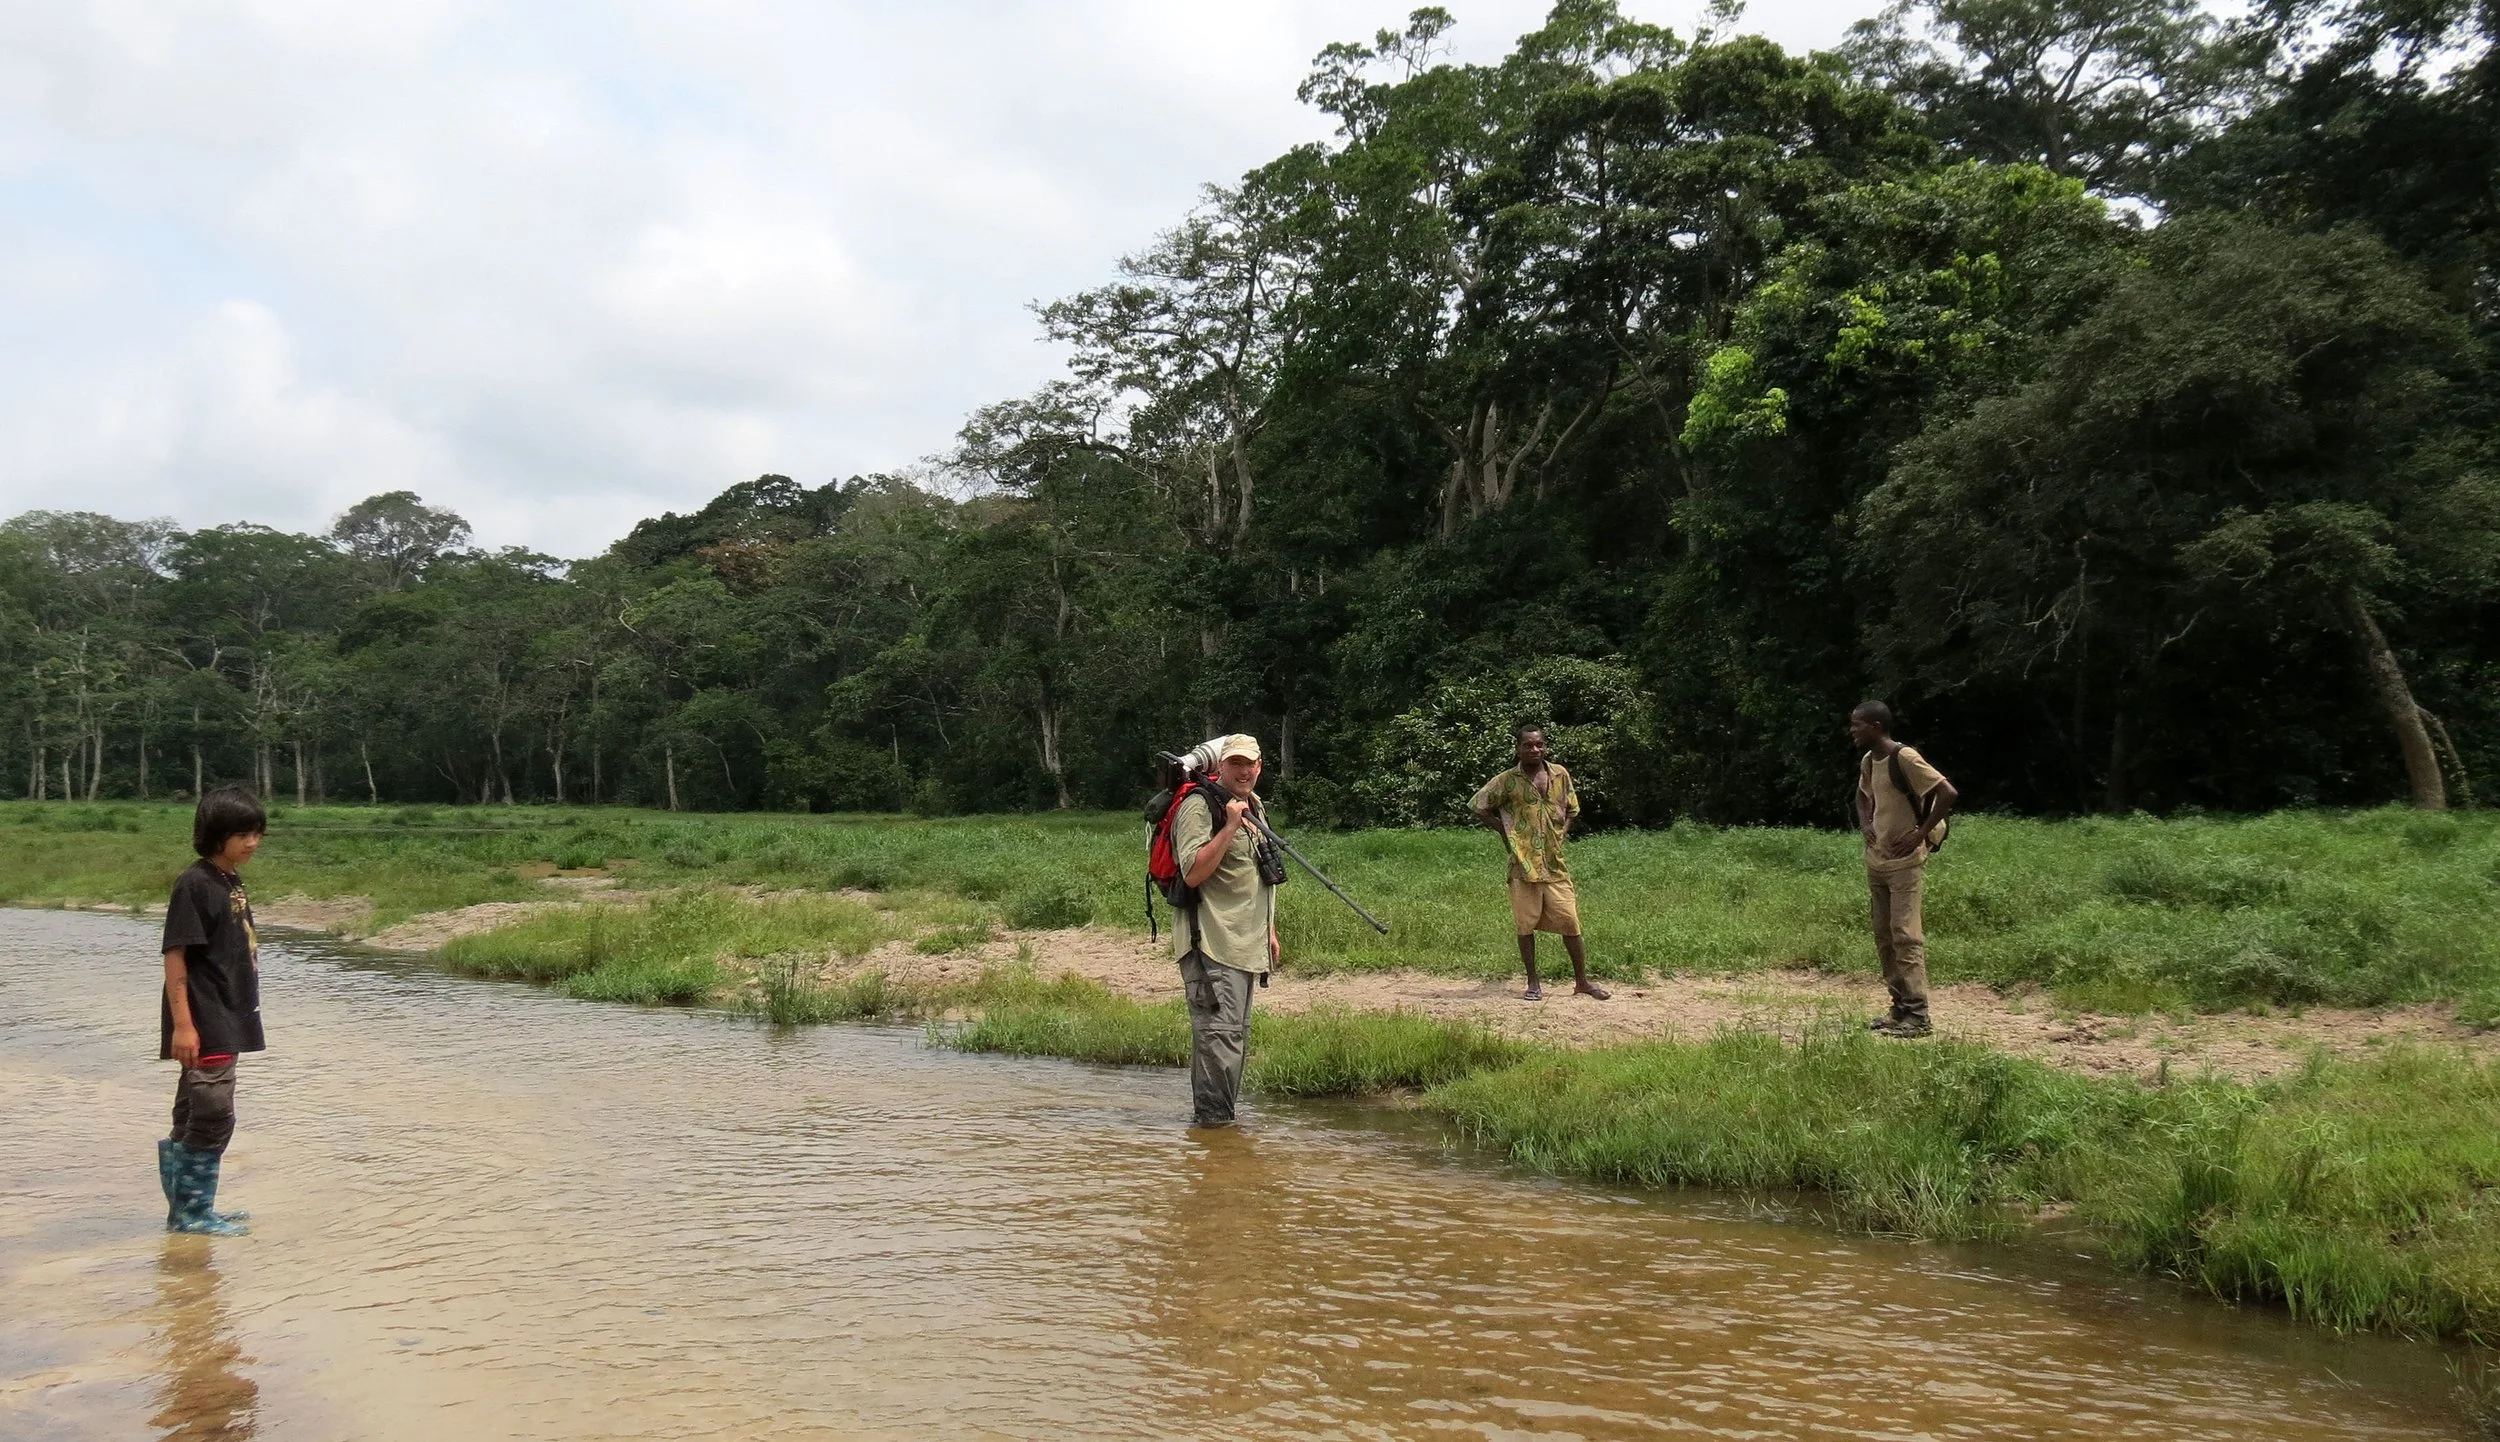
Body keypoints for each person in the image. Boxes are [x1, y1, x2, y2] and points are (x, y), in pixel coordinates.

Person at [158, 787, 268, 1235]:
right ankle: (193, 1214)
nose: (253, 843)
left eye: (258, 833)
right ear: (216, 834)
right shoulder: (196, 883)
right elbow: (175, 955)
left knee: (192, 1112)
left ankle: (187, 1213)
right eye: (243, 834)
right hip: (207, 1021)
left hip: (228, 1016)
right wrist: (183, 1026)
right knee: (213, 1113)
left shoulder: (228, 879)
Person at [1169, 734, 1280, 1128]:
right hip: (1212, 945)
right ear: (1220, 766)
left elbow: (1258, 873)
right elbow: (1194, 872)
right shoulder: (1199, 807)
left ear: (1261, 766)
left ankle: (1219, 1128)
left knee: (1233, 1041)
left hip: (1246, 944)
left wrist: (1269, 931)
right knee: (1220, 1041)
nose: (1245, 771)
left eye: (1250, 763)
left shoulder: (1256, 806)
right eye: (1235, 763)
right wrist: (1230, 826)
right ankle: (1214, 1135)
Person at [1470, 725, 1609, 1003]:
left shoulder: (1559, 774)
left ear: (1545, 746)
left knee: (1570, 922)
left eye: (1538, 745)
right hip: (1523, 865)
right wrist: (1504, 830)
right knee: (1525, 925)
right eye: (1527, 745)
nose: (1534, 750)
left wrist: (1561, 833)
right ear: (1517, 748)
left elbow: (1572, 808)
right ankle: (1533, 983)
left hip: (1555, 864)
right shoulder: (1507, 780)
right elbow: (1478, 805)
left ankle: (1581, 982)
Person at [1850, 701, 1957, 1038]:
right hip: (1878, 860)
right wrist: (1866, 823)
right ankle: (1899, 1008)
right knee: (1884, 936)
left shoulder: (1904, 758)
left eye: (1857, 725)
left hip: (1905, 863)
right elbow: (1862, 796)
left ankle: (1918, 1015)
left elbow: (1947, 792)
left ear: (1876, 727)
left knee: (1905, 935)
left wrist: (1919, 835)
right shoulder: (1869, 761)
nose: (1852, 731)